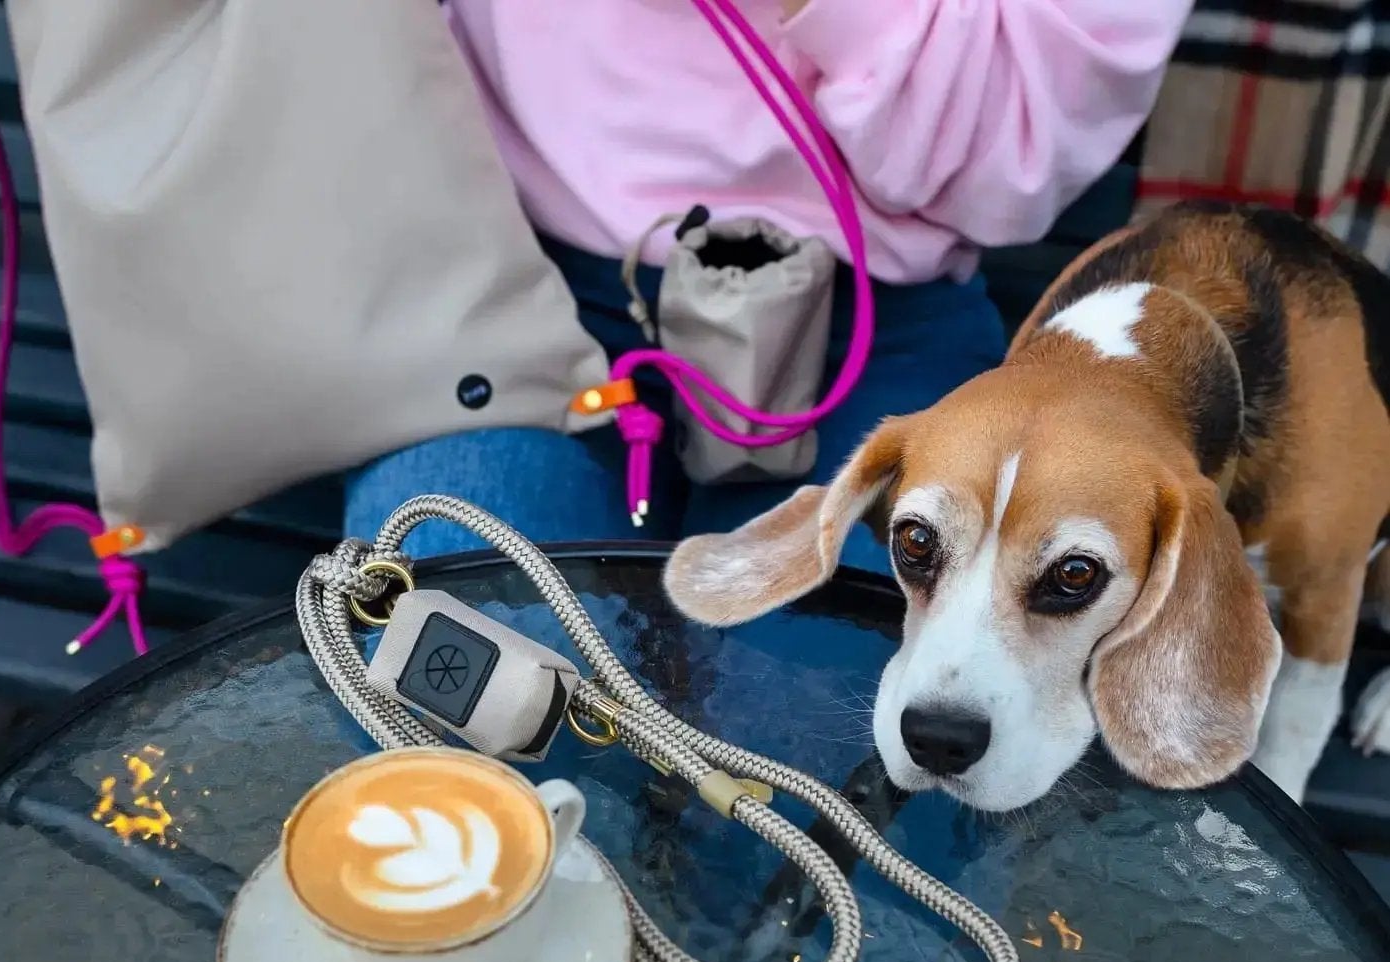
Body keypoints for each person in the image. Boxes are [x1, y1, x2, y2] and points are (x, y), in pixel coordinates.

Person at [346, 0, 1194, 569]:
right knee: (461, 707)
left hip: (872, 324)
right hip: (509, 280)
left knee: (819, 766)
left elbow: (1009, 170)